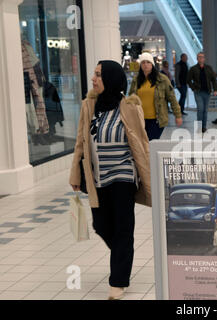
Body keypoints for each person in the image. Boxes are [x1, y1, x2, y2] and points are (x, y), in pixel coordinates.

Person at [69, 60, 151, 300]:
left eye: (98, 75)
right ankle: (122, 255)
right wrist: (75, 173)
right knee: (101, 225)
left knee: (124, 228)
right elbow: (80, 142)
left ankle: (118, 280)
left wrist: (149, 175)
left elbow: (142, 143)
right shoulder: (89, 106)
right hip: (98, 178)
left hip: (123, 176)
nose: (93, 79)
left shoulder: (130, 107)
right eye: (94, 74)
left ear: (112, 79)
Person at [128, 52, 182, 140]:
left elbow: (172, 98)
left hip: (157, 120)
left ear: (152, 64)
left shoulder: (162, 79)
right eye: (143, 62)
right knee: (142, 144)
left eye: (148, 62)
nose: (145, 65)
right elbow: (131, 99)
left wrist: (178, 115)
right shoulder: (136, 80)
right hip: (140, 119)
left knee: (151, 143)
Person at [187, 52, 217, 133]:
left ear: (204, 59)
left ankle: (203, 127)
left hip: (207, 92)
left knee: (205, 110)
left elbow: (213, 79)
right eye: (199, 57)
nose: (201, 58)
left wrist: (215, 89)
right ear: (197, 59)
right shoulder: (193, 68)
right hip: (198, 92)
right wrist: (193, 88)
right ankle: (199, 127)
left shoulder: (209, 68)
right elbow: (188, 80)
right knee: (200, 109)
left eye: (202, 57)